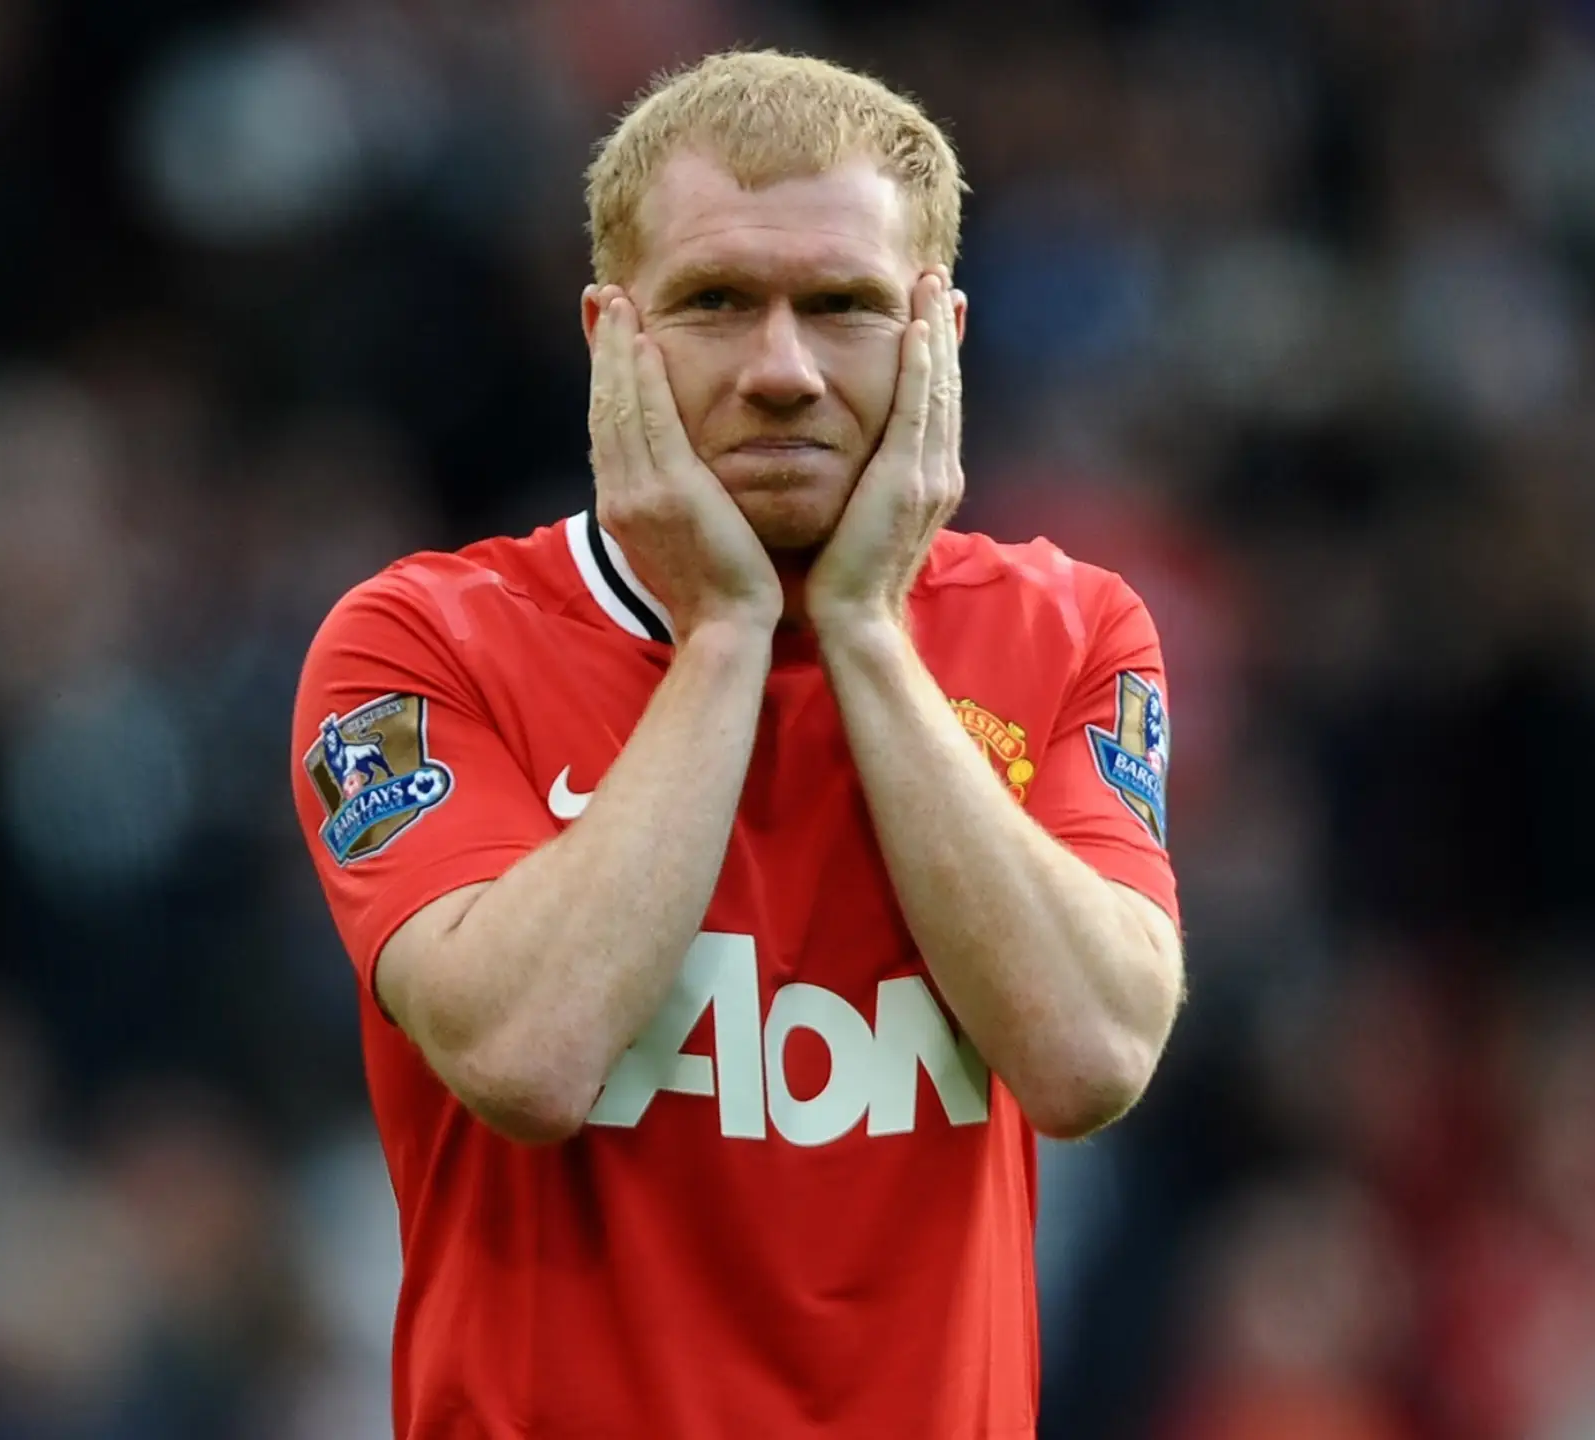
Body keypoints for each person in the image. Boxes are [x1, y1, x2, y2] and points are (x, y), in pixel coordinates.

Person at [290, 49, 1188, 1439]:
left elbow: (1090, 1056)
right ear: (609, 336)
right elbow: (530, 1055)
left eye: (843, 308)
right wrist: (722, 632)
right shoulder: (418, 647)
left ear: (937, 339)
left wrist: (868, 635)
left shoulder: (1071, 634)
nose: (781, 371)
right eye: (716, 303)